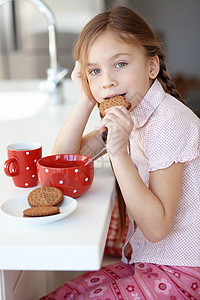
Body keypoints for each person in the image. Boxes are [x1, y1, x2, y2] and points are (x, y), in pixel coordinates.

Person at [40, 6, 200, 300]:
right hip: (148, 260)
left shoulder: (169, 122)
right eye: (95, 71)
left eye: (121, 64)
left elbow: (156, 228)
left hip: (183, 272)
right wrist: (87, 98)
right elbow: (61, 162)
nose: (108, 82)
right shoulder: (131, 111)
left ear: (151, 67)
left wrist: (117, 151)